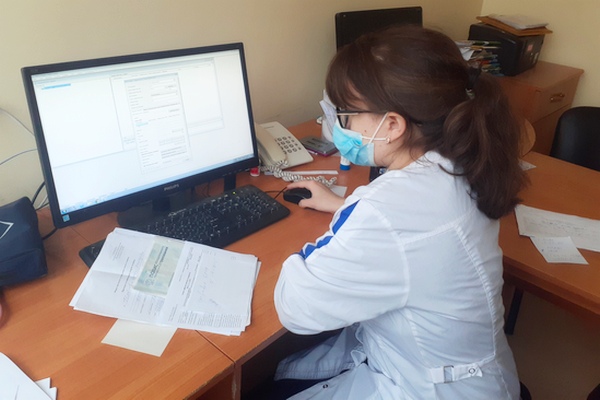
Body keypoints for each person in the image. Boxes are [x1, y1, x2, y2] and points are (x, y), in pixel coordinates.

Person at [272, 25, 528, 399]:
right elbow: (417, 232)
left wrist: (354, 216)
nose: (338, 127)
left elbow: (295, 307)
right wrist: (346, 206)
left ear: (392, 125)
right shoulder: (460, 161)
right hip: (475, 376)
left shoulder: (386, 211)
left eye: (345, 115)